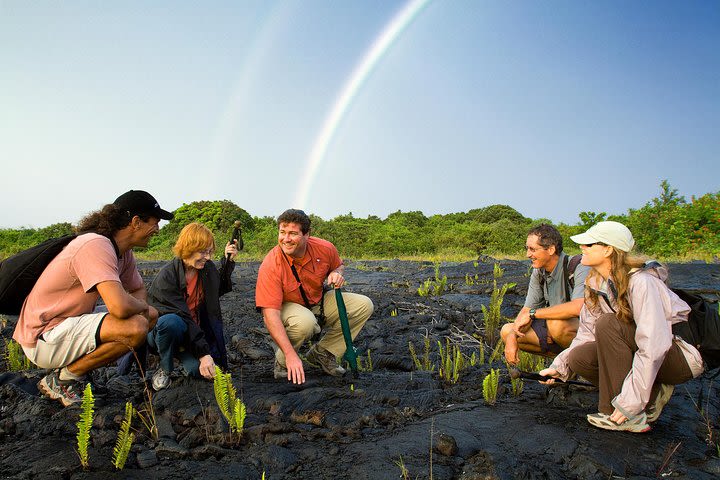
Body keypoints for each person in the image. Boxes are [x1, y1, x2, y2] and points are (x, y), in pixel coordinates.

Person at [539, 221, 704, 432]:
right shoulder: (595, 284)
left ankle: (624, 415)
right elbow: (586, 334)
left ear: (608, 250)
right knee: (579, 357)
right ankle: (650, 394)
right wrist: (559, 368)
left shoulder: (643, 282)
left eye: (589, 244)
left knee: (609, 324)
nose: (582, 248)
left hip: (680, 357)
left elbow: (654, 345)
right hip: (647, 352)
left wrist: (629, 404)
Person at [13, 190, 173, 406]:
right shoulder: (95, 245)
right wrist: (136, 307)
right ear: (136, 222)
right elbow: (119, 307)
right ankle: (64, 378)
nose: (157, 229)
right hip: (43, 336)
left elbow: (137, 291)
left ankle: (74, 374)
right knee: (135, 327)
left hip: (66, 325)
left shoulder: (123, 252)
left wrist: (139, 307)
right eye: (155, 222)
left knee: (150, 316)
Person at [255, 209, 374, 384]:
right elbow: (270, 314)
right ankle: (282, 363)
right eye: (282, 232)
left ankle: (324, 353)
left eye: (293, 233)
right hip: (287, 307)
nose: (286, 239)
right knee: (305, 322)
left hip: (317, 301)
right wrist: (290, 355)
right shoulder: (271, 264)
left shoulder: (325, 248)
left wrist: (335, 273)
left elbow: (338, 265)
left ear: (307, 235)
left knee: (364, 305)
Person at [146, 222, 238, 390]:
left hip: (191, 335)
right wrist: (204, 353)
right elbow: (183, 316)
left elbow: (218, 289)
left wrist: (227, 261)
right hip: (162, 334)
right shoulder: (167, 277)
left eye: (210, 251)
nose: (208, 257)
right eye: (203, 252)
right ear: (188, 248)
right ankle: (165, 368)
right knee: (171, 322)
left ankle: (184, 356)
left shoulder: (206, 268)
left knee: (203, 372)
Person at [501, 224, 590, 364]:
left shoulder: (579, 266)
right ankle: (563, 364)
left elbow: (578, 307)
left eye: (533, 249)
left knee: (557, 325)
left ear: (551, 249)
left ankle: (583, 366)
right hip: (559, 330)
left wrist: (533, 314)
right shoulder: (539, 272)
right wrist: (512, 337)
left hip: (590, 333)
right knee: (507, 331)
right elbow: (526, 310)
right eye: (527, 248)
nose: (527, 254)